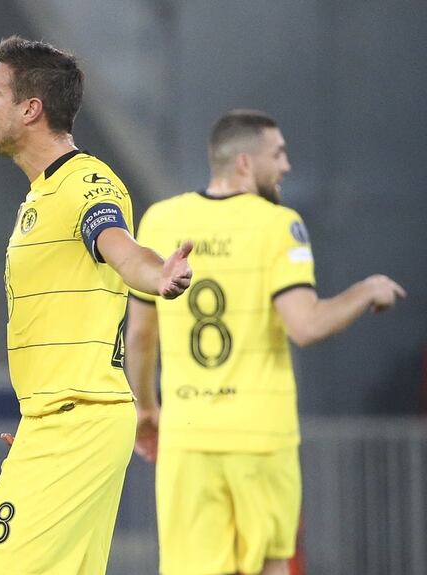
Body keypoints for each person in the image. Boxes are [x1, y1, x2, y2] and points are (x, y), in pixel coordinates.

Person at [125, 109, 406, 575]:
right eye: (278, 153)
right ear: (244, 164)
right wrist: (366, 290)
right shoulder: (278, 224)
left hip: (188, 438)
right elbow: (306, 325)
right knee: (273, 567)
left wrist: (146, 408)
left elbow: (139, 333)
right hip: (260, 436)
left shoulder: (161, 218)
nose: (287, 166)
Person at [0, 36, 193, 575]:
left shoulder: (86, 181)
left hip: (77, 421)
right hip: (60, 419)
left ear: (30, 109)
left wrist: (155, 273)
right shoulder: (42, 195)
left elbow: (116, 244)